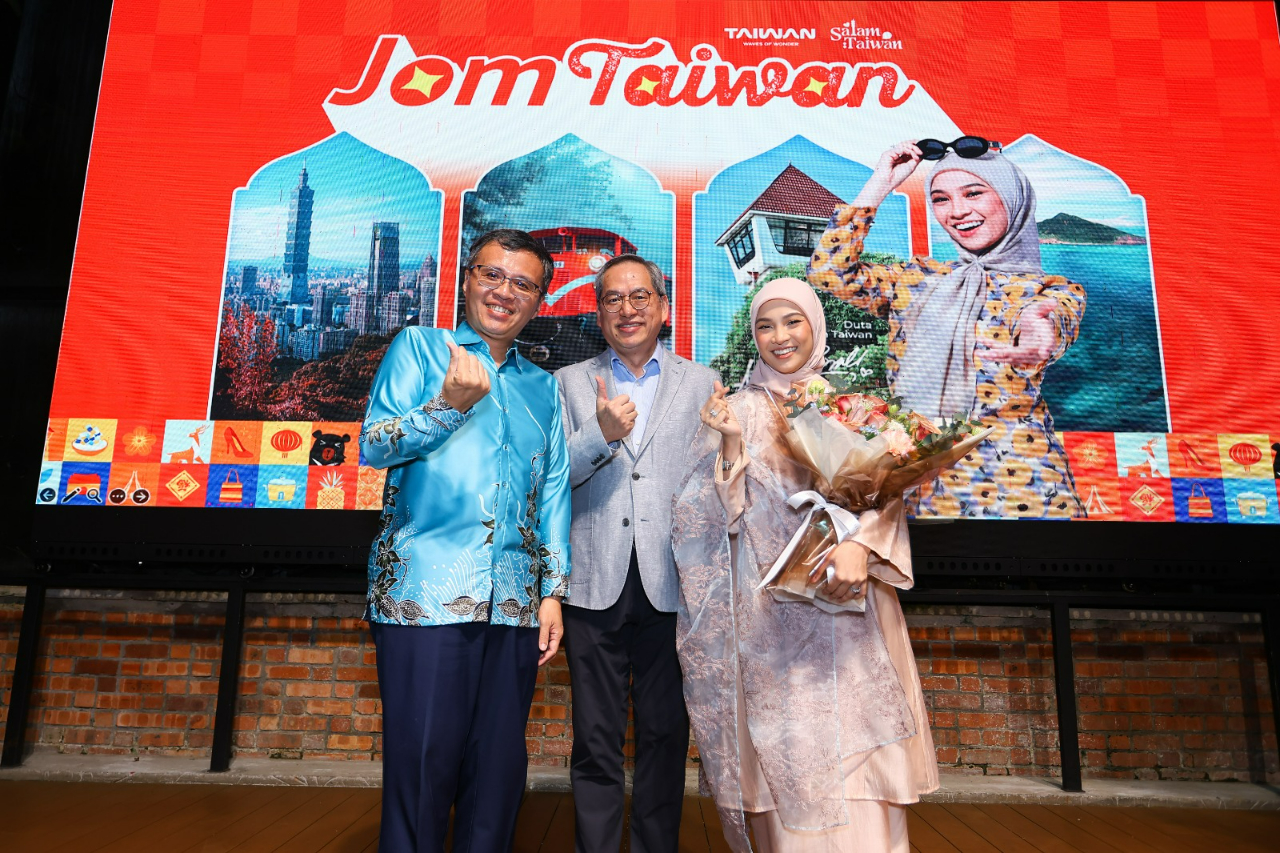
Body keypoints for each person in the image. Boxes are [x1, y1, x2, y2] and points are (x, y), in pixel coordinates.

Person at [673, 277, 937, 853]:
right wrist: (731, 446)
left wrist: (861, 546)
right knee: (788, 753)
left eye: (792, 321)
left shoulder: (853, 405)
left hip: (849, 607)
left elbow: (886, 494)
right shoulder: (734, 409)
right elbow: (708, 521)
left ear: (815, 325)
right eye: (765, 326)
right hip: (770, 616)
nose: (780, 336)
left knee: (858, 755)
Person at [360, 229, 571, 853]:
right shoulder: (419, 349)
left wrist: (552, 594)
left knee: (498, 776)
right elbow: (375, 445)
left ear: (539, 301)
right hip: (424, 594)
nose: (504, 292)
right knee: (422, 768)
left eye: (523, 284)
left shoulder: (544, 388)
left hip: (514, 605)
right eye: (492, 275)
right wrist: (448, 405)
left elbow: (553, 491)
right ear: (467, 278)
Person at [808, 140, 1086, 519]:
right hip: (920, 487)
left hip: (1021, 488)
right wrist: (881, 183)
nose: (957, 211)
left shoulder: (1051, 290)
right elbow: (828, 272)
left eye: (974, 193)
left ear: (1012, 196)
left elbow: (1052, 322)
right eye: (940, 199)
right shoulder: (916, 279)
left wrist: (1039, 337)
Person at [554, 254, 718, 853]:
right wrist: (599, 435)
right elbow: (551, 479)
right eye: (612, 299)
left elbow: (711, 483)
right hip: (592, 582)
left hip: (672, 583)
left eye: (640, 296)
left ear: (663, 308)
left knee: (665, 736)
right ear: (598, 314)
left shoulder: (702, 383)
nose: (627, 309)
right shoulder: (567, 382)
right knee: (595, 740)